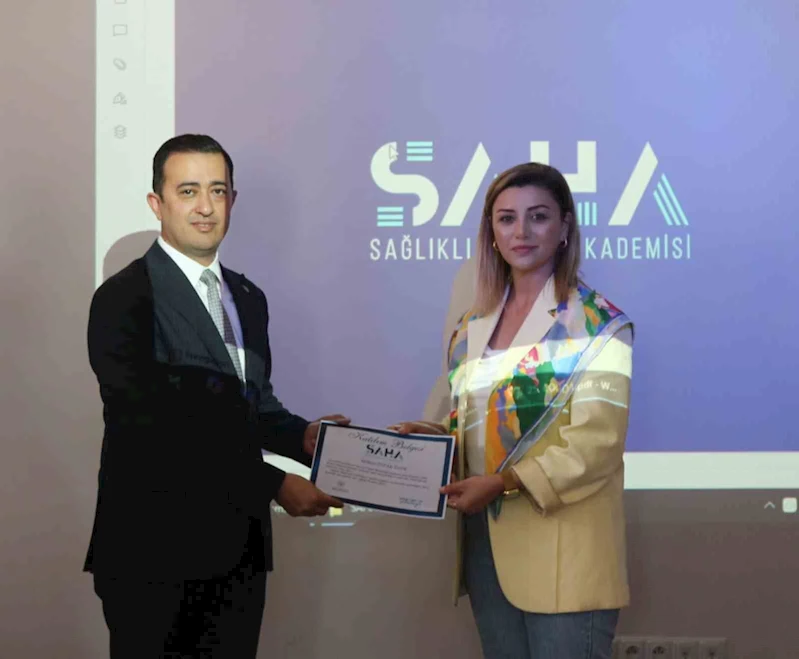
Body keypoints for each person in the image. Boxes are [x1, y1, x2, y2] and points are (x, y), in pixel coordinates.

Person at [84, 134, 349, 658]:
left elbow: (252, 406)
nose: (205, 206)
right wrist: (274, 482)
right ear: (157, 203)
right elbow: (152, 426)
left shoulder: (247, 298)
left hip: (238, 555)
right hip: (152, 555)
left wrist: (304, 436)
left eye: (217, 190)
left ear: (232, 199)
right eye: (188, 191)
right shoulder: (123, 297)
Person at [391, 162, 633, 659]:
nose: (521, 231)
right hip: (486, 548)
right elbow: (476, 425)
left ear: (564, 227)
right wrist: (434, 437)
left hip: (564, 554)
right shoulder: (473, 325)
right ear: (492, 233)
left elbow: (597, 447)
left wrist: (503, 482)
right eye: (507, 219)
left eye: (538, 216)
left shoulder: (599, 325)